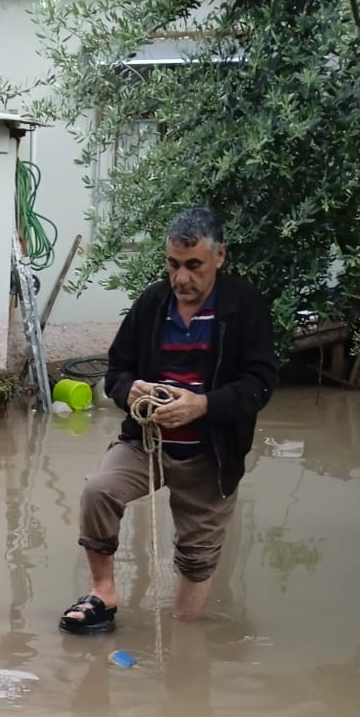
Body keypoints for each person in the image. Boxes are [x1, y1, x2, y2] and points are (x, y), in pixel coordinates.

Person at [60, 208, 277, 632]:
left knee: (196, 559)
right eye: (173, 264)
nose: (181, 278)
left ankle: (185, 637)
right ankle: (104, 592)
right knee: (98, 491)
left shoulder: (244, 306)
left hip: (210, 454)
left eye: (194, 265)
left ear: (220, 256)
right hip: (146, 442)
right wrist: (129, 390)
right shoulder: (153, 303)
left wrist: (203, 405)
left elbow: (261, 383)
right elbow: (116, 371)